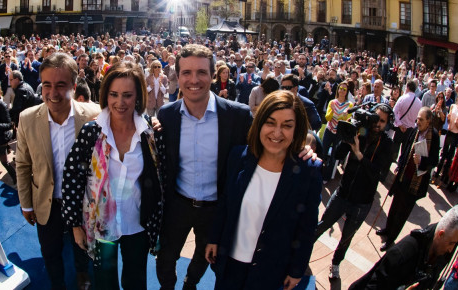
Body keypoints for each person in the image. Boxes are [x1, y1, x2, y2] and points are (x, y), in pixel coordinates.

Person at [154, 44, 314, 290]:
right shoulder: (166, 115)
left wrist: (308, 145)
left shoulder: (237, 116)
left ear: (213, 74)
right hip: (178, 205)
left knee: (204, 256)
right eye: (186, 72)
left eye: (201, 72)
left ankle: (191, 282)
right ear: (178, 75)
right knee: (166, 258)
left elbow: (272, 134)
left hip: (217, 209)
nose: (193, 80)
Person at [205, 90, 323, 290]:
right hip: (230, 264)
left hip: (270, 271)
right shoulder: (238, 156)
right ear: (259, 123)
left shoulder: (308, 171)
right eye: (270, 122)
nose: (277, 133)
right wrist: (214, 238)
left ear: (297, 129)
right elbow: (225, 202)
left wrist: (297, 270)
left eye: (287, 125)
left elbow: (307, 227)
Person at [62, 61, 164, 289]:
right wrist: (75, 225)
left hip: (137, 224)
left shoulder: (149, 133)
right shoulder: (91, 132)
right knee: (105, 282)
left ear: (137, 96)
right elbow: (72, 178)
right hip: (101, 226)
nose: (120, 102)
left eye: (127, 95)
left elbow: (161, 179)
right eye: (114, 94)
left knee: (135, 281)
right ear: (105, 95)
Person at [15, 52, 99, 290]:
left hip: (83, 202)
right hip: (46, 202)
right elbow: (22, 164)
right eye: (47, 85)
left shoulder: (94, 115)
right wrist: (26, 204)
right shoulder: (27, 119)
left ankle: (83, 273)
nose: (52, 93)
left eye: (61, 86)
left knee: (81, 246)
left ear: (74, 86)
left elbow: (127, 117)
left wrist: (154, 123)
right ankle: (58, 284)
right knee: (50, 251)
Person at [314, 104, 394, 279]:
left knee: (346, 239)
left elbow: (378, 173)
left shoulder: (387, 145)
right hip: (343, 193)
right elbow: (338, 154)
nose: (377, 123)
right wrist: (349, 134)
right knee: (321, 226)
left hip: (361, 202)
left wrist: (359, 154)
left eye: (382, 121)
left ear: (387, 124)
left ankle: (335, 264)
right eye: (375, 118)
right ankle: (302, 253)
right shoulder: (361, 133)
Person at [352, 204, 458, 289]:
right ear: (441, 234)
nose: (451, 249)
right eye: (451, 243)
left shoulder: (442, 253)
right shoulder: (403, 253)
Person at [377, 107, 440, 251]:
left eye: (421, 119)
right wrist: (399, 166)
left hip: (415, 183)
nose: (418, 122)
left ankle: (391, 238)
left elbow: (434, 161)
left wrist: (422, 161)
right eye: (417, 118)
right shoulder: (414, 131)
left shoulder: (434, 136)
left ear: (429, 121)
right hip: (404, 176)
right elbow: (405, 150)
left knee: (402, 212)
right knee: (394, 206)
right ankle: (387, 229)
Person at [322, 82, 353, 180]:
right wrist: (335, 112)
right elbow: (327, 117)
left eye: (345, 89)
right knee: (323, 152)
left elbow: (347, 121)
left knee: (333, 157)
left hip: (339, 134)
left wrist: (342, 115)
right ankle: (317, 173)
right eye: (341, 88)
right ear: (338, 89)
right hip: (329, 130)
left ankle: (327, 177)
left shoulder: (349, 105)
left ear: (347, 91)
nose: (342, 91)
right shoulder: (332, 102)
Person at [434, 95, 458, 187]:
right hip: (449, 132)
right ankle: (436, 175)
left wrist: (457, 123)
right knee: (443, 154)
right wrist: (448, 119)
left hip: (455, 135)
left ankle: (443, 180)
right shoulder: (452, 106)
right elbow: (448, 121)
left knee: (449, 158)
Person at [392, 80, 423, 161]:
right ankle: (399, 167)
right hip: (410, 130)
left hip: (400, 128)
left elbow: (394, 112)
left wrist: (399, 124)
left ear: (407, 87)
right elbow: (418, 118)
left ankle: (390, 165)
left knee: (394, 149)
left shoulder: (402, 98)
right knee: (404, 151)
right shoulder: (419, 102)